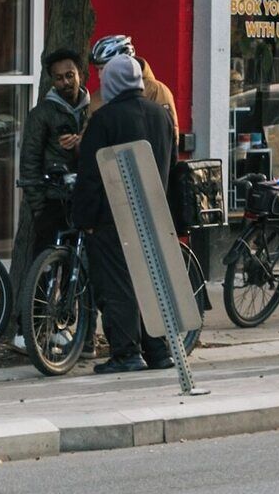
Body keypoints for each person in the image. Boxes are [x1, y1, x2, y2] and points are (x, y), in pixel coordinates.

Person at [73, 41, 182, 373]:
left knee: (118, 284)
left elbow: (91, 173)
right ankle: (159, 352)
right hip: (153, 210)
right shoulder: (160, 115)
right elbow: (172, 162)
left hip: (113, 215)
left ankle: (126, 353)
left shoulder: (104, 119)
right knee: (149, 283)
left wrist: (85, 218)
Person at [14, 48, 88, 286]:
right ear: (52, 81)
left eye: (70, 75)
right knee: (44, 273)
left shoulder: (93, 109)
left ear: (80, 75)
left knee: (82, 270)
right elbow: (29, 162)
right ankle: (37, 318)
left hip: (85, 197)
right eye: (59, 78)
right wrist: (39, 207)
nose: (66, 82)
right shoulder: (42, 114)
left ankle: (81, 319)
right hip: (52, 200)